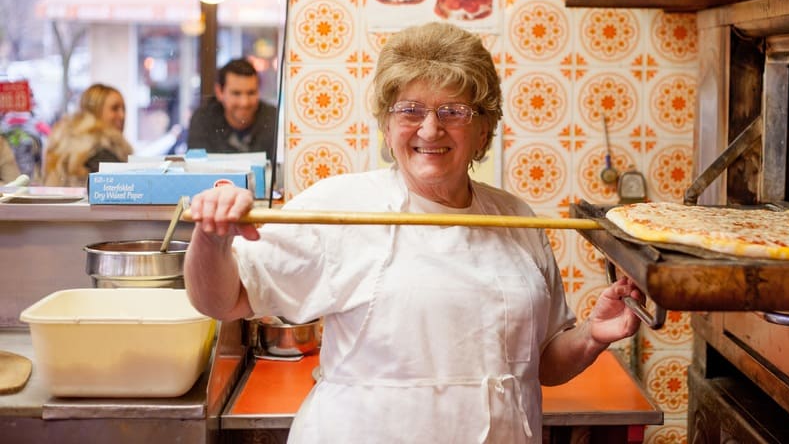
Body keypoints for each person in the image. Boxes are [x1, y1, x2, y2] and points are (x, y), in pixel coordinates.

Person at [184, 22, 643, 444]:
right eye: (410, 110)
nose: (430, 128)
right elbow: (221, 300)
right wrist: (213, 235)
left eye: (453, 111)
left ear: (484, 130)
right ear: (387, 127)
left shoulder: (516, 219)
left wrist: (591, 336)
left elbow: (541, 362)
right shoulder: (344, 207)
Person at [43, 83, 133, 187]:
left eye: (124, 109)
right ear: (95, 111)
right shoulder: (101, 153)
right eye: (115, 108)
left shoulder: (64, 143)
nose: (122, 115)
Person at [186, 58, 278, 159]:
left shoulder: (273, 118)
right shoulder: (202, 120)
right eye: (236, 93)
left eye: (251, 93)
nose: (244, 102)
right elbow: (197, 168)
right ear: (219, 92)